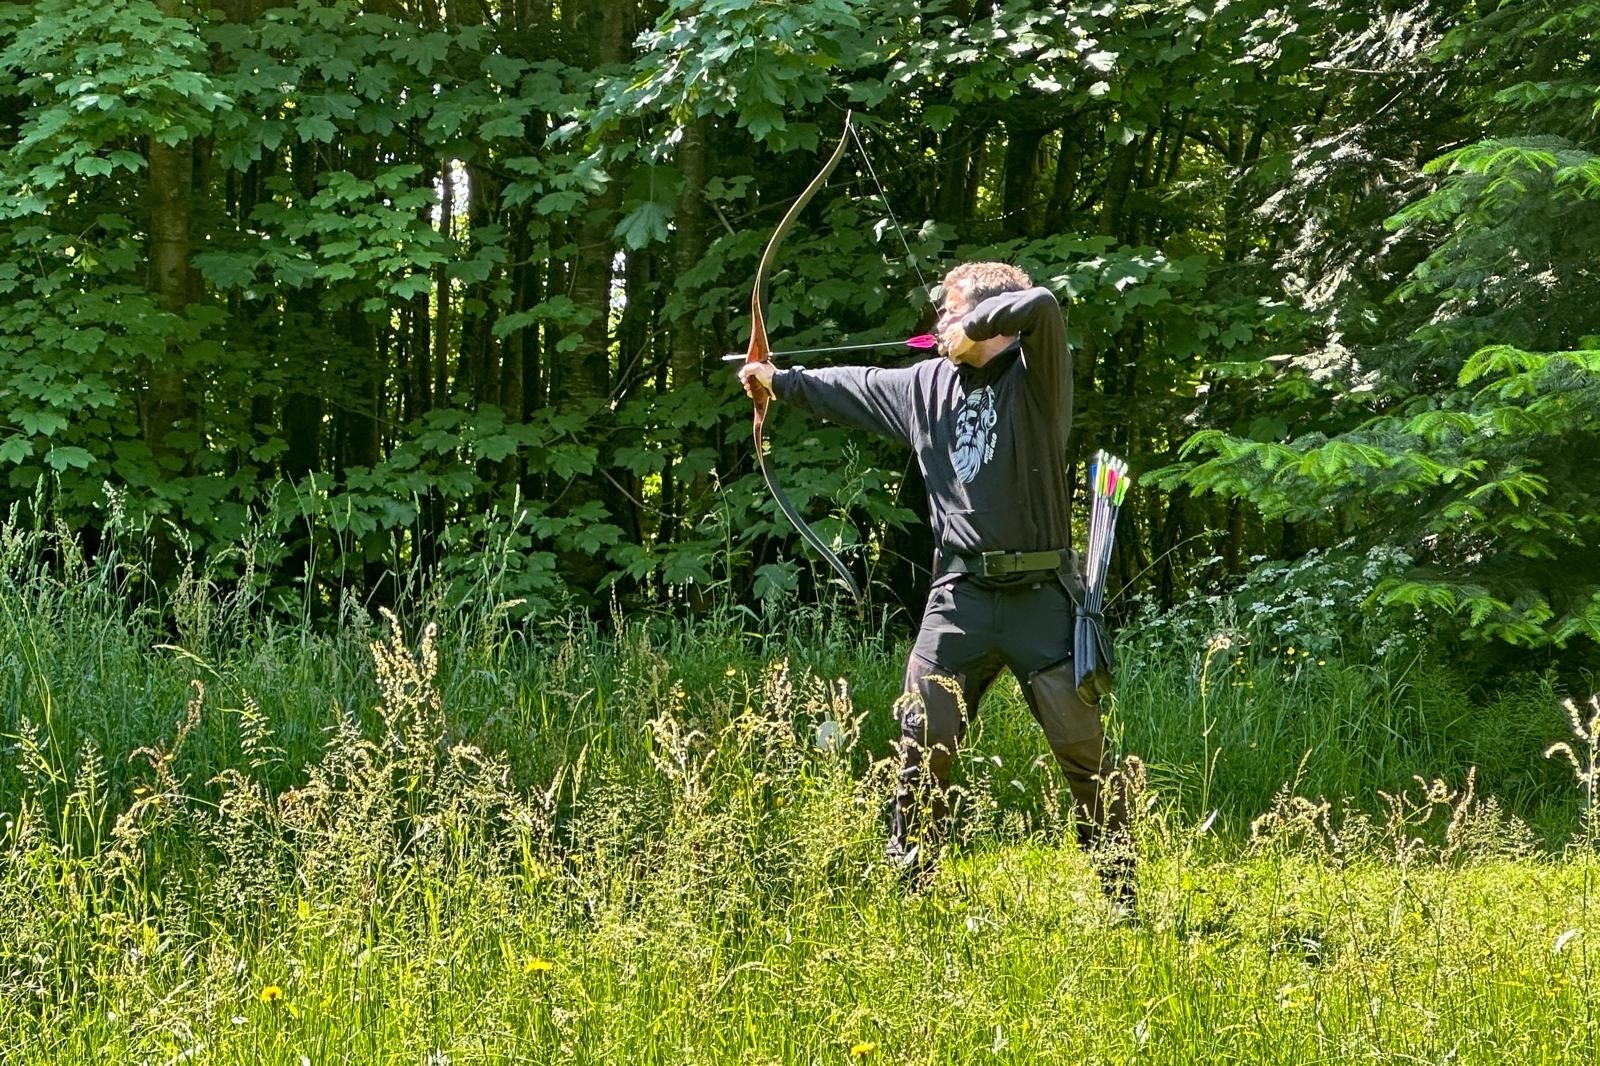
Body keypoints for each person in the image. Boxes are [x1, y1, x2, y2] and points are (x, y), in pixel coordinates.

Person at [738, 261, 1134, 911]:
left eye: (953, 311)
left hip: (1042, 600)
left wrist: (973, 323)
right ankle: (911, 901)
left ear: (993, 322)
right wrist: (777, 382)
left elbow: (1043, 306)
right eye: (947, 313)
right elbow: (856, 386)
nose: (942, 323)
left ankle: (1124, 904)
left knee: (1085, 761)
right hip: (960, 599)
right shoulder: (926, 385)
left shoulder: (1038, 380)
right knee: (922, 755)